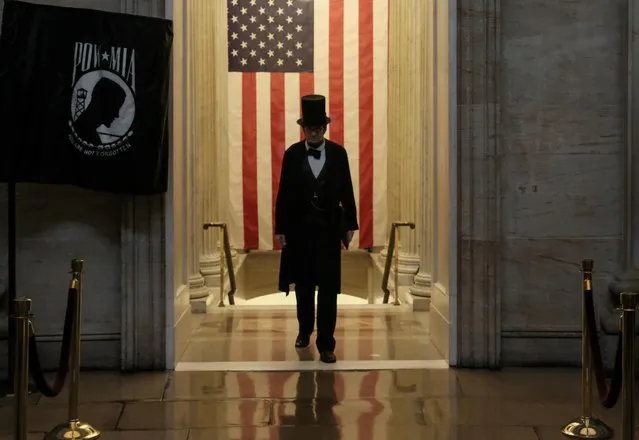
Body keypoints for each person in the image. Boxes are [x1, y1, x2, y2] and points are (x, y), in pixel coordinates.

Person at [274, 94, 358, 364]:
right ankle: (303, 331)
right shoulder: (292, 154)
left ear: (324, 128)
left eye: (318, 127)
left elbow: (347, 189)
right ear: (303, 129)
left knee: (329, 289)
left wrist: (351, 224)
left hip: (328, 233)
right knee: (304, 288)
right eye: (309, 128)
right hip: (299, 234)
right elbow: (283, 193)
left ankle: (326, 344)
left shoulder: (338, 154)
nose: (313, 131)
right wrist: (281, 229)